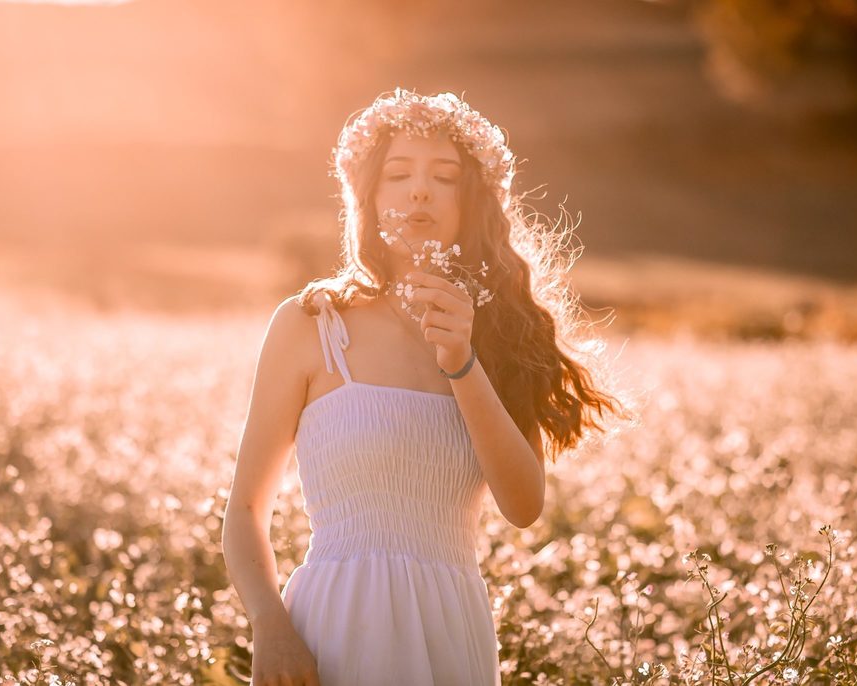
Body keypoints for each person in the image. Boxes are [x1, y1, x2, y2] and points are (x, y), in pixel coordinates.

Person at [222, 87, 634, 686]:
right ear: (368, 197)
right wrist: (270, 627)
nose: (419, 190)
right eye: (397, 174)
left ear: (469, 203)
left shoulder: (496, 337)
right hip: (334, 622)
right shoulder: (311, 323)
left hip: (451, 627)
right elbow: (244, 509)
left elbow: (523, 506)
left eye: (443, 177)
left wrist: (462, 360)